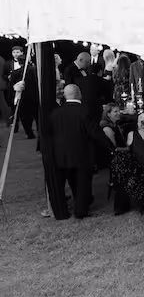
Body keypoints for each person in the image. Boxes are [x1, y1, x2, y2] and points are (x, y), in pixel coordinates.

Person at [51, 85, 113, 218]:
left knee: (73, 181)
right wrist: (110, 147)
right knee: (83, 183)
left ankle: (79, 204)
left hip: (62, 154)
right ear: (79, 93)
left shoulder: (56, 113)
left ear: (65, 96)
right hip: (81, 153)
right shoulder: (84, 111)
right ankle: (81, 210)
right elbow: (94, 132)